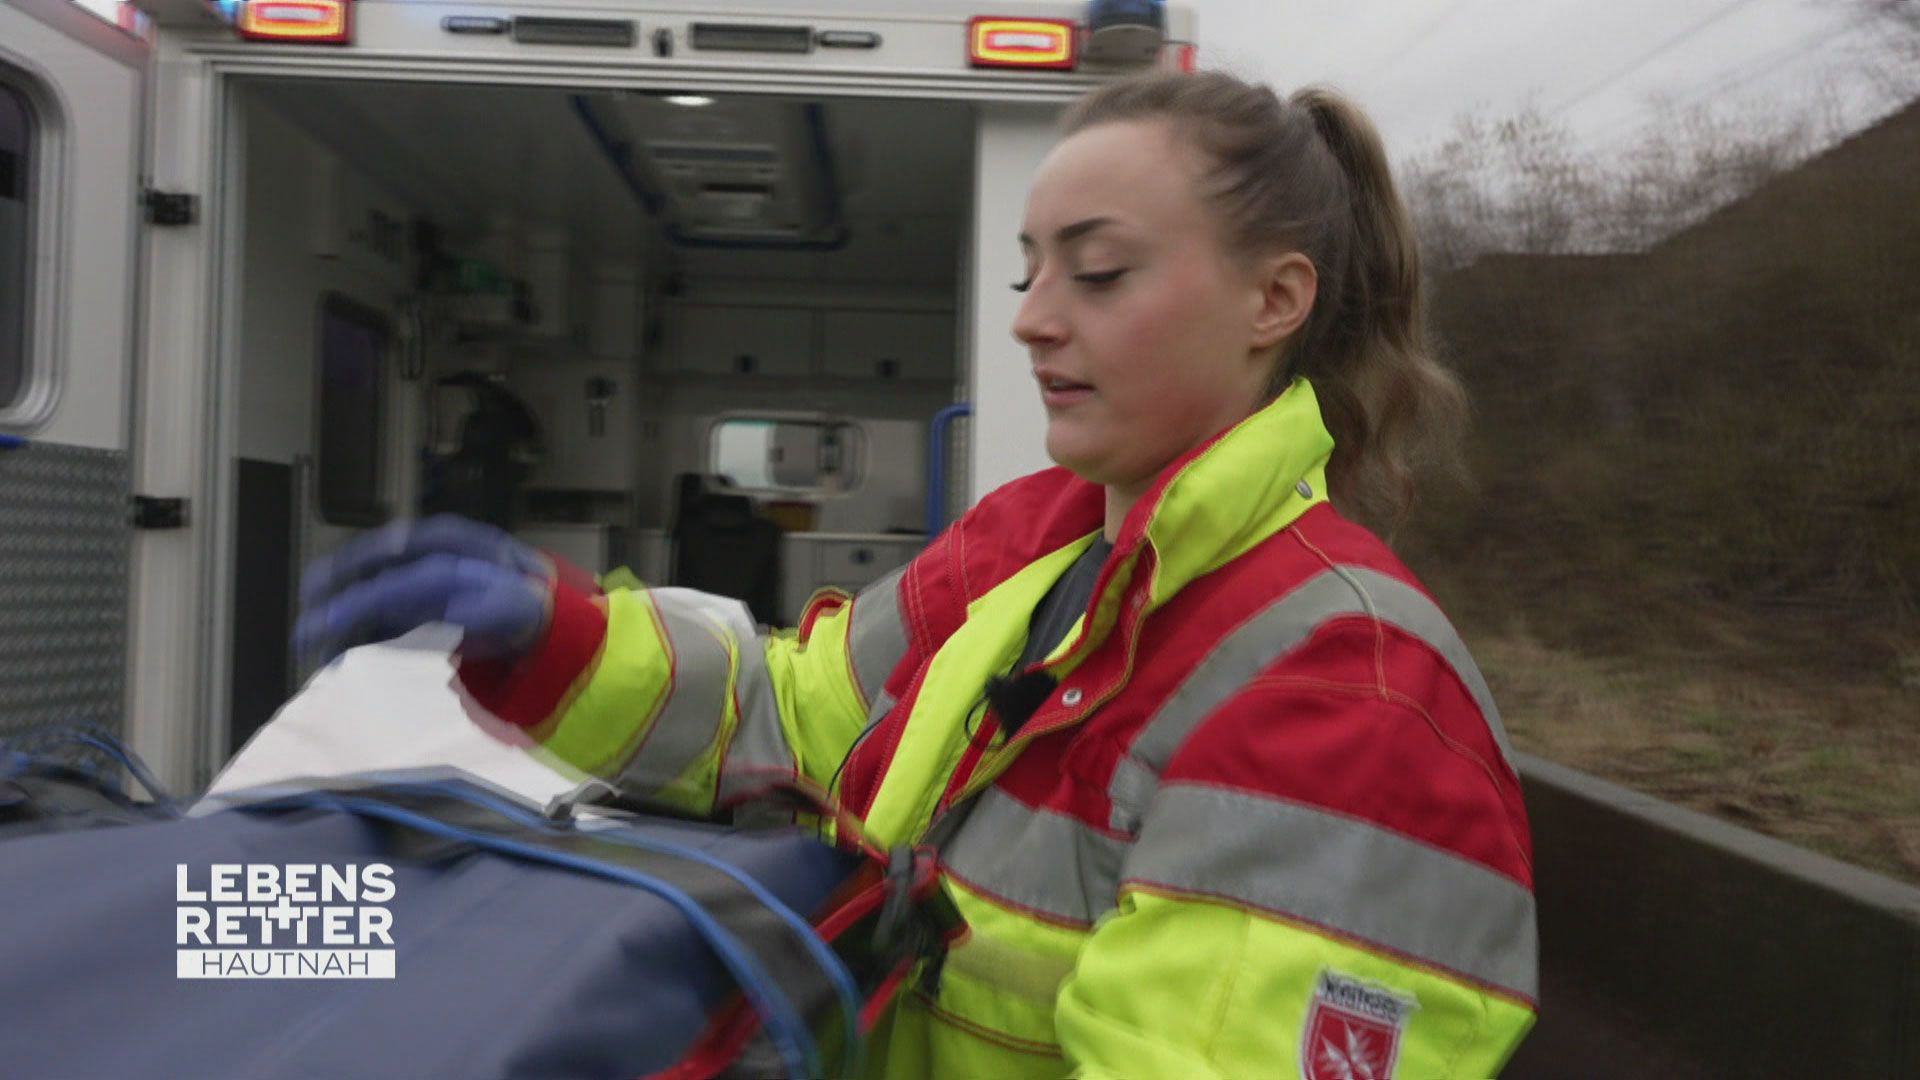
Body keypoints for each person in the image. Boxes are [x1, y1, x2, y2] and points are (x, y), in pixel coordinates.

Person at [297, 71, 1536, 1079]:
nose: (1033, 318)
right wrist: (554, 636)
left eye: (1096, 273)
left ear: (1276, 299)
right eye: (1028, 269)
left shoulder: (1348, 695)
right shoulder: (1041, 549)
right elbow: (794, 712)